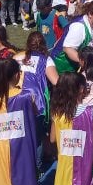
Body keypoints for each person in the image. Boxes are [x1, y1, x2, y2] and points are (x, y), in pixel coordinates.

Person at [14, 32, 59, 174]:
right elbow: (55, 81)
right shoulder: (46, 60)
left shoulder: (18, 57)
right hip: (36, 102)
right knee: (38, 136)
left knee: (20, 134)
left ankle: (21, 165)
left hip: (17, 100)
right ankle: (37, 168)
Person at [52, 0, 93, 74]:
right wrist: (85, 62)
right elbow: (68, 48)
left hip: (87, 67)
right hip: (63, 66)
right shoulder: (79, 26)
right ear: (90, 14)